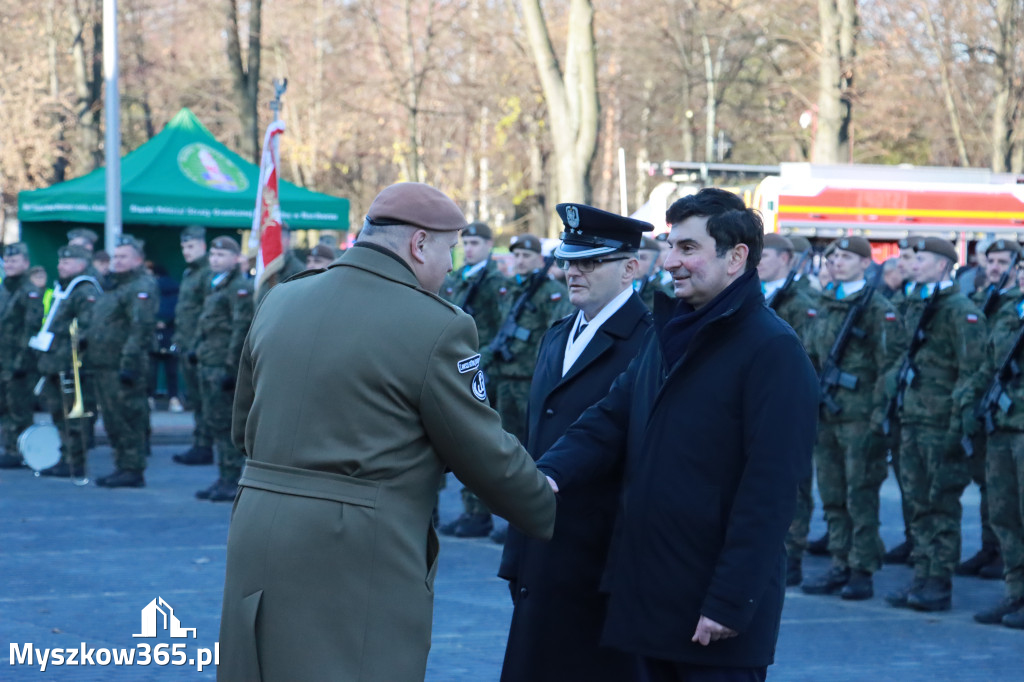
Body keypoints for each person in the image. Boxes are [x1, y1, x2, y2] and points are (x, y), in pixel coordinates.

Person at [218, 182, 556, 682]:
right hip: (356, 544)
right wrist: (546, 505)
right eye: (449, 249)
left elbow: (244, 425)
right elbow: (482, 449)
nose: (450, 266)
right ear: (419, 244)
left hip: (256, 527)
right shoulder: (437, 324)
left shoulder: (281, 299)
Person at [536, 188, 819, 681]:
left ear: (736, 258)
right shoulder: (669, 336)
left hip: (713, 617)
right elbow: (610, 419)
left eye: (687, 248)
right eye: (669, 246)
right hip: (652, 602)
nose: (669, 261)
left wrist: (731, 601)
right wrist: (544, 475)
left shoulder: (773, 351)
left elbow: (770, 493)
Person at [498, 203, 652, 682]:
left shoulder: (649, 340)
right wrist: (517, 551)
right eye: (569, 259)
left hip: (602, 555)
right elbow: (535, 440)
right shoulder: (558, 335)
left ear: (631, 267)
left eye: (590, 261)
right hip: (543, 544)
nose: (572, 271)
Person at [799, 237, 904, 601]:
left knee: (860, 496)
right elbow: (810, 355)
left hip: (860, 417)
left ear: (865, 263)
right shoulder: (825, 302)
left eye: (846, 257)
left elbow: (890, 364)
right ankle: (840, 562)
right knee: (832, 495)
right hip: (827, 414)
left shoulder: (877, 307)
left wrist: (879, 414)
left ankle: (862, 570)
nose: (837, 263)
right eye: (834, 257)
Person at [884, 237, 985, 612]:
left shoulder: (960, 310)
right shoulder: (919, 302)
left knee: (940, 503)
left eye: (921, 257)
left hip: (941, 422)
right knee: (917, 503)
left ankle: (939, 581)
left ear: (943, 265)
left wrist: (957, 423)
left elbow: (974, 369)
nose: (912, 262)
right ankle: (923, 575)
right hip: (912, 418)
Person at [438, 221, 510, 538]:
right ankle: (470, 510)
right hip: (457, 369)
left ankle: (480, 512)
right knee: (460, 443)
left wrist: (487, 363)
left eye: (477, 243)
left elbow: (501, 326)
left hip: (483, 369)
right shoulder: (455, 278)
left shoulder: (495, 281)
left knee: (480, 443)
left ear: (490, 246)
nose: (469, 249)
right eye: (466, 243)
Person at [756, 233, 819, 585]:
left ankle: (792, 555)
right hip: (758, 400)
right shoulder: (755, 295)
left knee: (795, 484)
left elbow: (808, 354)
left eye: (767, 256)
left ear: (787, 259)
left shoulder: (801, 300)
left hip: (787, 400)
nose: (760, 262)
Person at [973, 261, 1024, 628]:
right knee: (1004, 515)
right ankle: (1015, 593)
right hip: (1004, 426)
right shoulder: (1009, 309)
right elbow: (990, 361)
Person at [86, 235, 159, 488]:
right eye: (115, 257)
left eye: (123, 256)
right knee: (113, 420)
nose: (117, 261)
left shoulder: (141, 286)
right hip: (104, 365)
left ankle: (132, 467)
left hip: (124, 367)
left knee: (129, 418)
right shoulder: (114, 286)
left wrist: (128, 364)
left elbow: (140, 329)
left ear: (138, 259)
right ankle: (122, 465)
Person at [191, 236, 254, 503]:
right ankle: (223, 476)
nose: (215, 259)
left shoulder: (238, 288)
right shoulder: (215, 285)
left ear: (235, 258)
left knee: (227, 423)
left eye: (221, 255)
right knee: (214, 422)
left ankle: (232, 478)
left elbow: (240, 330)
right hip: (209, 361)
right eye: (213, 254)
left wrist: (232, 367)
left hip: (222, 365)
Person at [35, 245, 102, 479]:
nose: (60, 265)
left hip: (71, 364)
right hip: (56, 362)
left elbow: (87, 329)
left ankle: (76, 461)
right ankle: (66, 457)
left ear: (81, 264)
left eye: (66, 262)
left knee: (74, 417)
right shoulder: (65, 288)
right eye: (60, 261)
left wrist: (77, 362)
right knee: (59, 414)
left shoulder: (84, 290)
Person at [0, 243, 44, 468]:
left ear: (26, 264)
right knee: (5, 407)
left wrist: (21, 361)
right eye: (7, 261)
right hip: (3, 359)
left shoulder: (30, 292)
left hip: (20, 362)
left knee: (19, 408)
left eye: (14, 261)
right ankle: (10, 448)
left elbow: (32, 329)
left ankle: (21, 450)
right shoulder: (5, 289)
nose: (9, 265)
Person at [149, 263, 181, 411]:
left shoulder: (150, 289)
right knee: (171, 369)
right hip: (171, 332)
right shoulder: (176, 289)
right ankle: (174, 399)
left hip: (155, 333)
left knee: (152, 369)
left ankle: (150, 398)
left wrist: (155, 321)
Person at [254, 222, 306, 304]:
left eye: (277, 238)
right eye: (269, 238)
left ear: (288, 240)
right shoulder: (263, 266)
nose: (273, 243)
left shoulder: (297, 270)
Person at [634, 235, 673, 309]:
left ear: (656, 261)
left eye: (642, 258)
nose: (636, 262)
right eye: (634, 256)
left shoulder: (663, 296)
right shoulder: (627, 287)